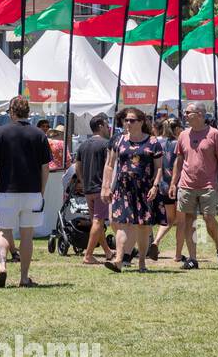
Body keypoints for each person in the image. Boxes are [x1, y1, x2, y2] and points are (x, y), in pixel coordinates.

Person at [0, 95, 50, 288]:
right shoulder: (39, 134)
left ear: (12, 112)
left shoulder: (1, 133)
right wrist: (41, 190)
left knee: (3, 231)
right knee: (27, 235)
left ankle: (2, 265)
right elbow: (45, 167)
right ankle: (24, 277)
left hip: (7, 190)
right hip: (32, 191)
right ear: (28, 112)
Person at [170, 103, 218, 270]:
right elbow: (179, 160)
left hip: (208, 184)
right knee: (189, 220)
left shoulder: (214, 134)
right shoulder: (183, 135)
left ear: (199, 114)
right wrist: (173, 183)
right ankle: (192, 258)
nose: (185, 115)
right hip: (186, 184)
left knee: (208, 218)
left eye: (188, 112)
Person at [103, 108, 162, 274]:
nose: (127, 123)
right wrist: (107, 186)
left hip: (144, 189)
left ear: (141, 122)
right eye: (126, 120)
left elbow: (158, 168)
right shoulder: (119, 140)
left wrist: (155, 186)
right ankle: (119, 260)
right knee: (121, 223)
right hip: (123, 188)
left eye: (132, 120)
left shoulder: (152, 142)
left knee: (142, 226)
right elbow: (110, 164)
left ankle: (142, 260)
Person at [76, 115, 113, 265]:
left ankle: (108, 252)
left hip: (88, 189)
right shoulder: (106, 144)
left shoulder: (83, 145)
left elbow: (77, 166)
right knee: (98, 221)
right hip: (100, 189)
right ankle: (88, 255)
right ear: (100, 126)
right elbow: (110, 166)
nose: (108, 127)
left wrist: (82, 181)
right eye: (106, 124)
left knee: (96, 223)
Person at [149, 119, 181, 263]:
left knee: (169, 219)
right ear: (177, 129)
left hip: (161, 186)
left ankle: (156, 241)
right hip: (178, 185)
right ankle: (178, 254)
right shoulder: (178, 143)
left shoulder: (157, 142)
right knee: (181, 221)